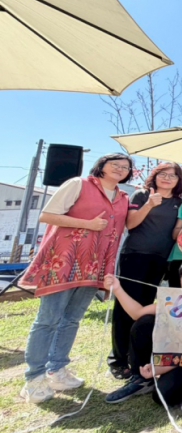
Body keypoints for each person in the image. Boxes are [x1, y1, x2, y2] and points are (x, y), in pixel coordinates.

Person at [19, 154, 133, 404]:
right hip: (65, 260)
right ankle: (34, 378)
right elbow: (47, 215)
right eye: (115, 165)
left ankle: (57, 369)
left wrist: (108, 270)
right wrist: (88, 224)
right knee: (48, 319)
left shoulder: (123, 198)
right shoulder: (78, 184)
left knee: (72, 319)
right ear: (101, 167)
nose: (120, 169)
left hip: (94, 266)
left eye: (125, 167)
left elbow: (117, 233)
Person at [109, 162, 182, 378]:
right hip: (135, 255)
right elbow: (131, 224)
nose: (168, 178)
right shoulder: (142, 195)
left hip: (161, 260)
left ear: (179, 181)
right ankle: (118, 360)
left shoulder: (179, 203)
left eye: (173, 176)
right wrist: (149, 205)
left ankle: (138, 356)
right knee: (125, 306)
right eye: (163, 174)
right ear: (155, 175)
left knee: (146, 307)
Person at [102, 257, 182, 404]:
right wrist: (117, 288)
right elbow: (137, 312)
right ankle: (141, 378)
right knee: (145, 322)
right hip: (177, 359)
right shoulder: (175, 300)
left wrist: (163, 368)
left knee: (173, 397)